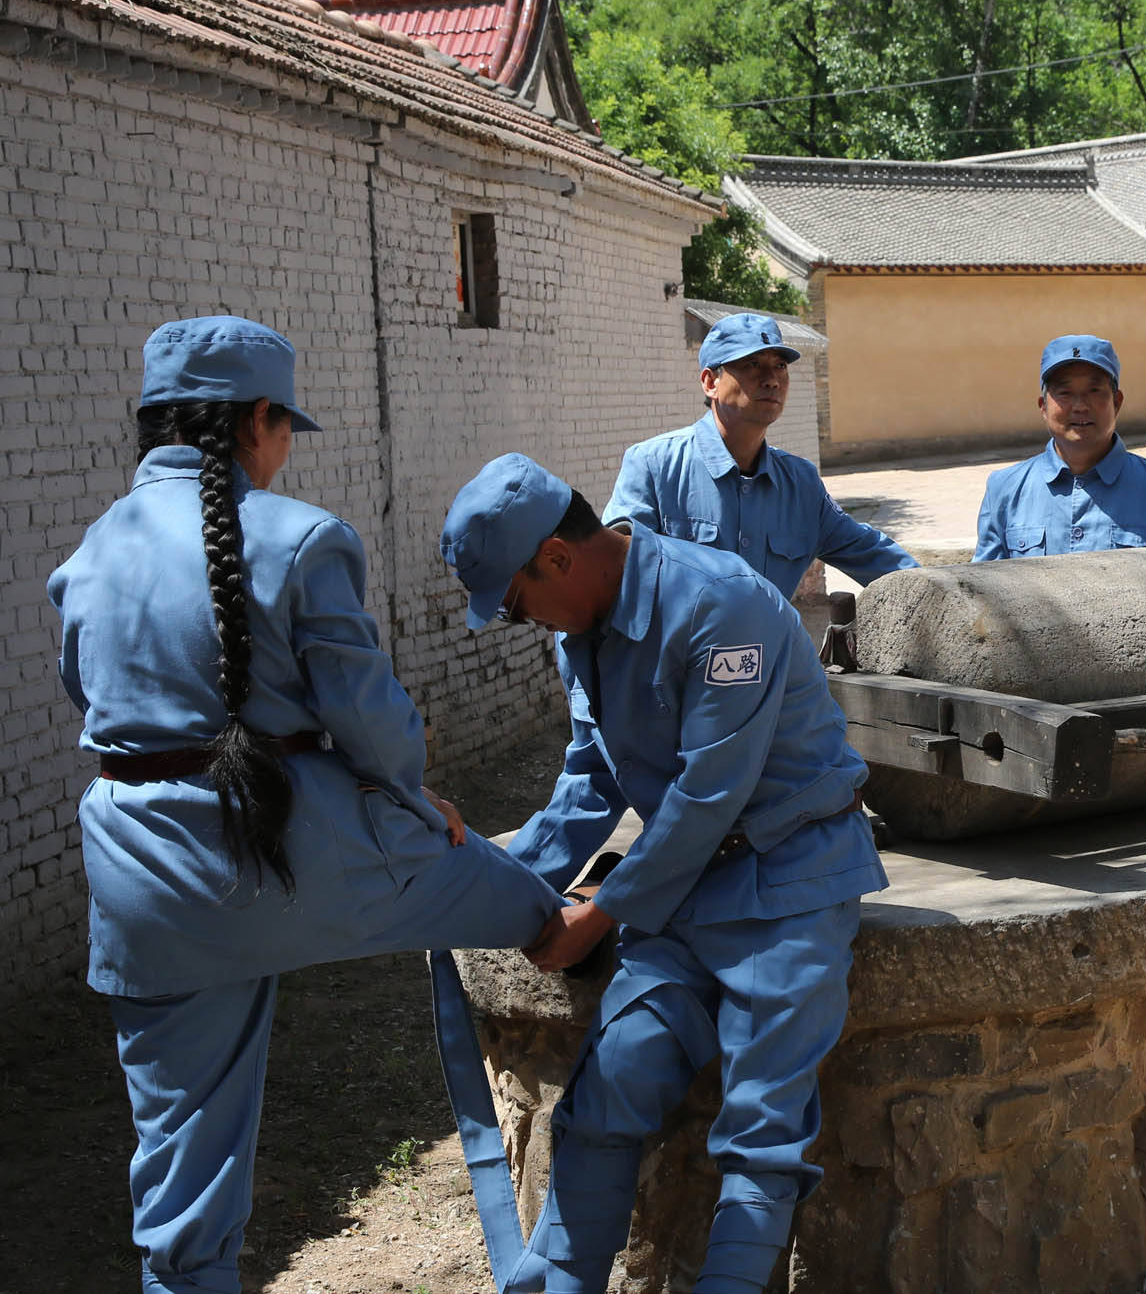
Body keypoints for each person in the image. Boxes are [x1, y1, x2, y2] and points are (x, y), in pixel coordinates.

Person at [46, 317, 561, 1294]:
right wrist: (416, 801)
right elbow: (375, 727)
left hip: (143, 878)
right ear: (258, 421)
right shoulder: (303, 537)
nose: (286, 449)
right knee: (539, 907)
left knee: (179, 1187)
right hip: (302, 850)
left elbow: (91, 701)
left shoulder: (90, 550)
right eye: (286, 429)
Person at [440, 453, 885, 1294]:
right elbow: (590, 784)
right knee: (607, 1098)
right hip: (683, 896)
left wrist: (597, 916)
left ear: (558, 558)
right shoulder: (586, 635)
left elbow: (707, 795)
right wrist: (491, 885)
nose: (519, 618)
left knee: (761, 1136)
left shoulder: (721, 605)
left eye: (515, 599)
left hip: (789, 884)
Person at [606, 310, 916, 601]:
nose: (772, 379)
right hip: (680, 658)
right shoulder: (655, 466)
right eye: (752, 364)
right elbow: (609, 576)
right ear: (710, 382)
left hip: (770, 659)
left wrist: (948, 588)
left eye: (780, 365)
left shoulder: (800, 483)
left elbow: (871, 553)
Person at [975, 333, 1146, 562]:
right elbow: (982, 590)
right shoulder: (1004, 490)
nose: (1081, 406)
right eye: (1065, 393)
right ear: (1043, 407)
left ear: (1117, 402)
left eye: (1094, 391)